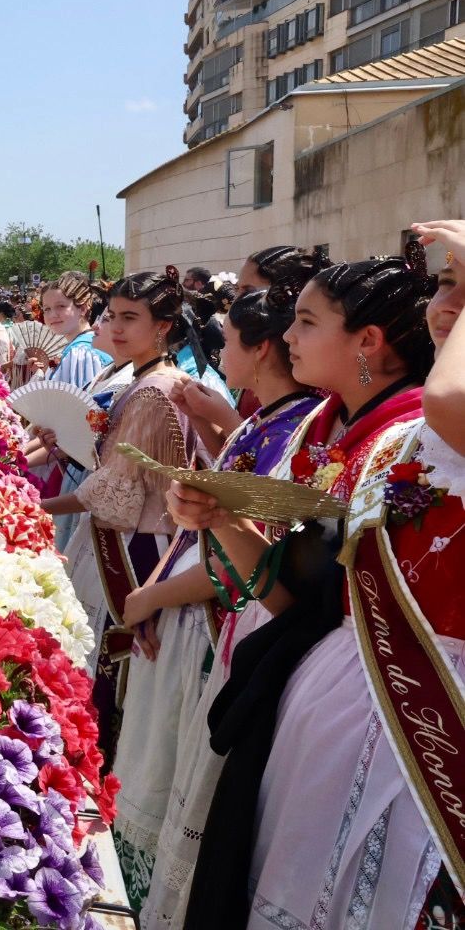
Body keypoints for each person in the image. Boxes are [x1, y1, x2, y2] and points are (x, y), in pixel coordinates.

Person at [181, 241, 445, 929]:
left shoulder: (420, 437)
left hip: (391, 699)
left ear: (368, 341)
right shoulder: (323, 428)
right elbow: (289, 592)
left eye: (305, 322)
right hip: (313, 677)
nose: (287, 337)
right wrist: (220, 519)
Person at [115, 283, 319, 919]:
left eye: (227, 339)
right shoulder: (270, 417)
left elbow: (244, 555)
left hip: (222, 623)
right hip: (212, 615)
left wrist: (151, 595)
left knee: (187, 774)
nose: (215, 349)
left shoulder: (299, 430)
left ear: (257, 350)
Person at [39, 268, 198, 761]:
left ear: (164, 326)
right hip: (130, 535)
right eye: (113, 316)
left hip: (134, 546)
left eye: (132, 318)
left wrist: (30, 506)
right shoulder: (143, 380)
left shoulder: (154, 391)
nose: (119, 328)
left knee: (108, 664)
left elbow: (111, 492)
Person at [24, 272, 114, 550]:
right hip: (64, 458)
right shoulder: (76, 349)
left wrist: (18, 459)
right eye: (47, 308)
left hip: (75, 466)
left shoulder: (82, 354)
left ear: (84, 307)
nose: (52, 315)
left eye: (61, 307)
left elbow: (78, 425)